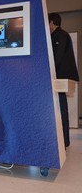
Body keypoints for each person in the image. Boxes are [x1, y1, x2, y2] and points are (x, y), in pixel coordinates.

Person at [48, 12, 79, 148]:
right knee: (59, 108)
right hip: (58, 77)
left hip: (61, 78)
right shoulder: (56, 35)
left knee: (61, 109)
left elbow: (57, 57)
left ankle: (64, 141)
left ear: (52, 23)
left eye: (47, 22)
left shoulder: (61, 35)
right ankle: (61, 140)